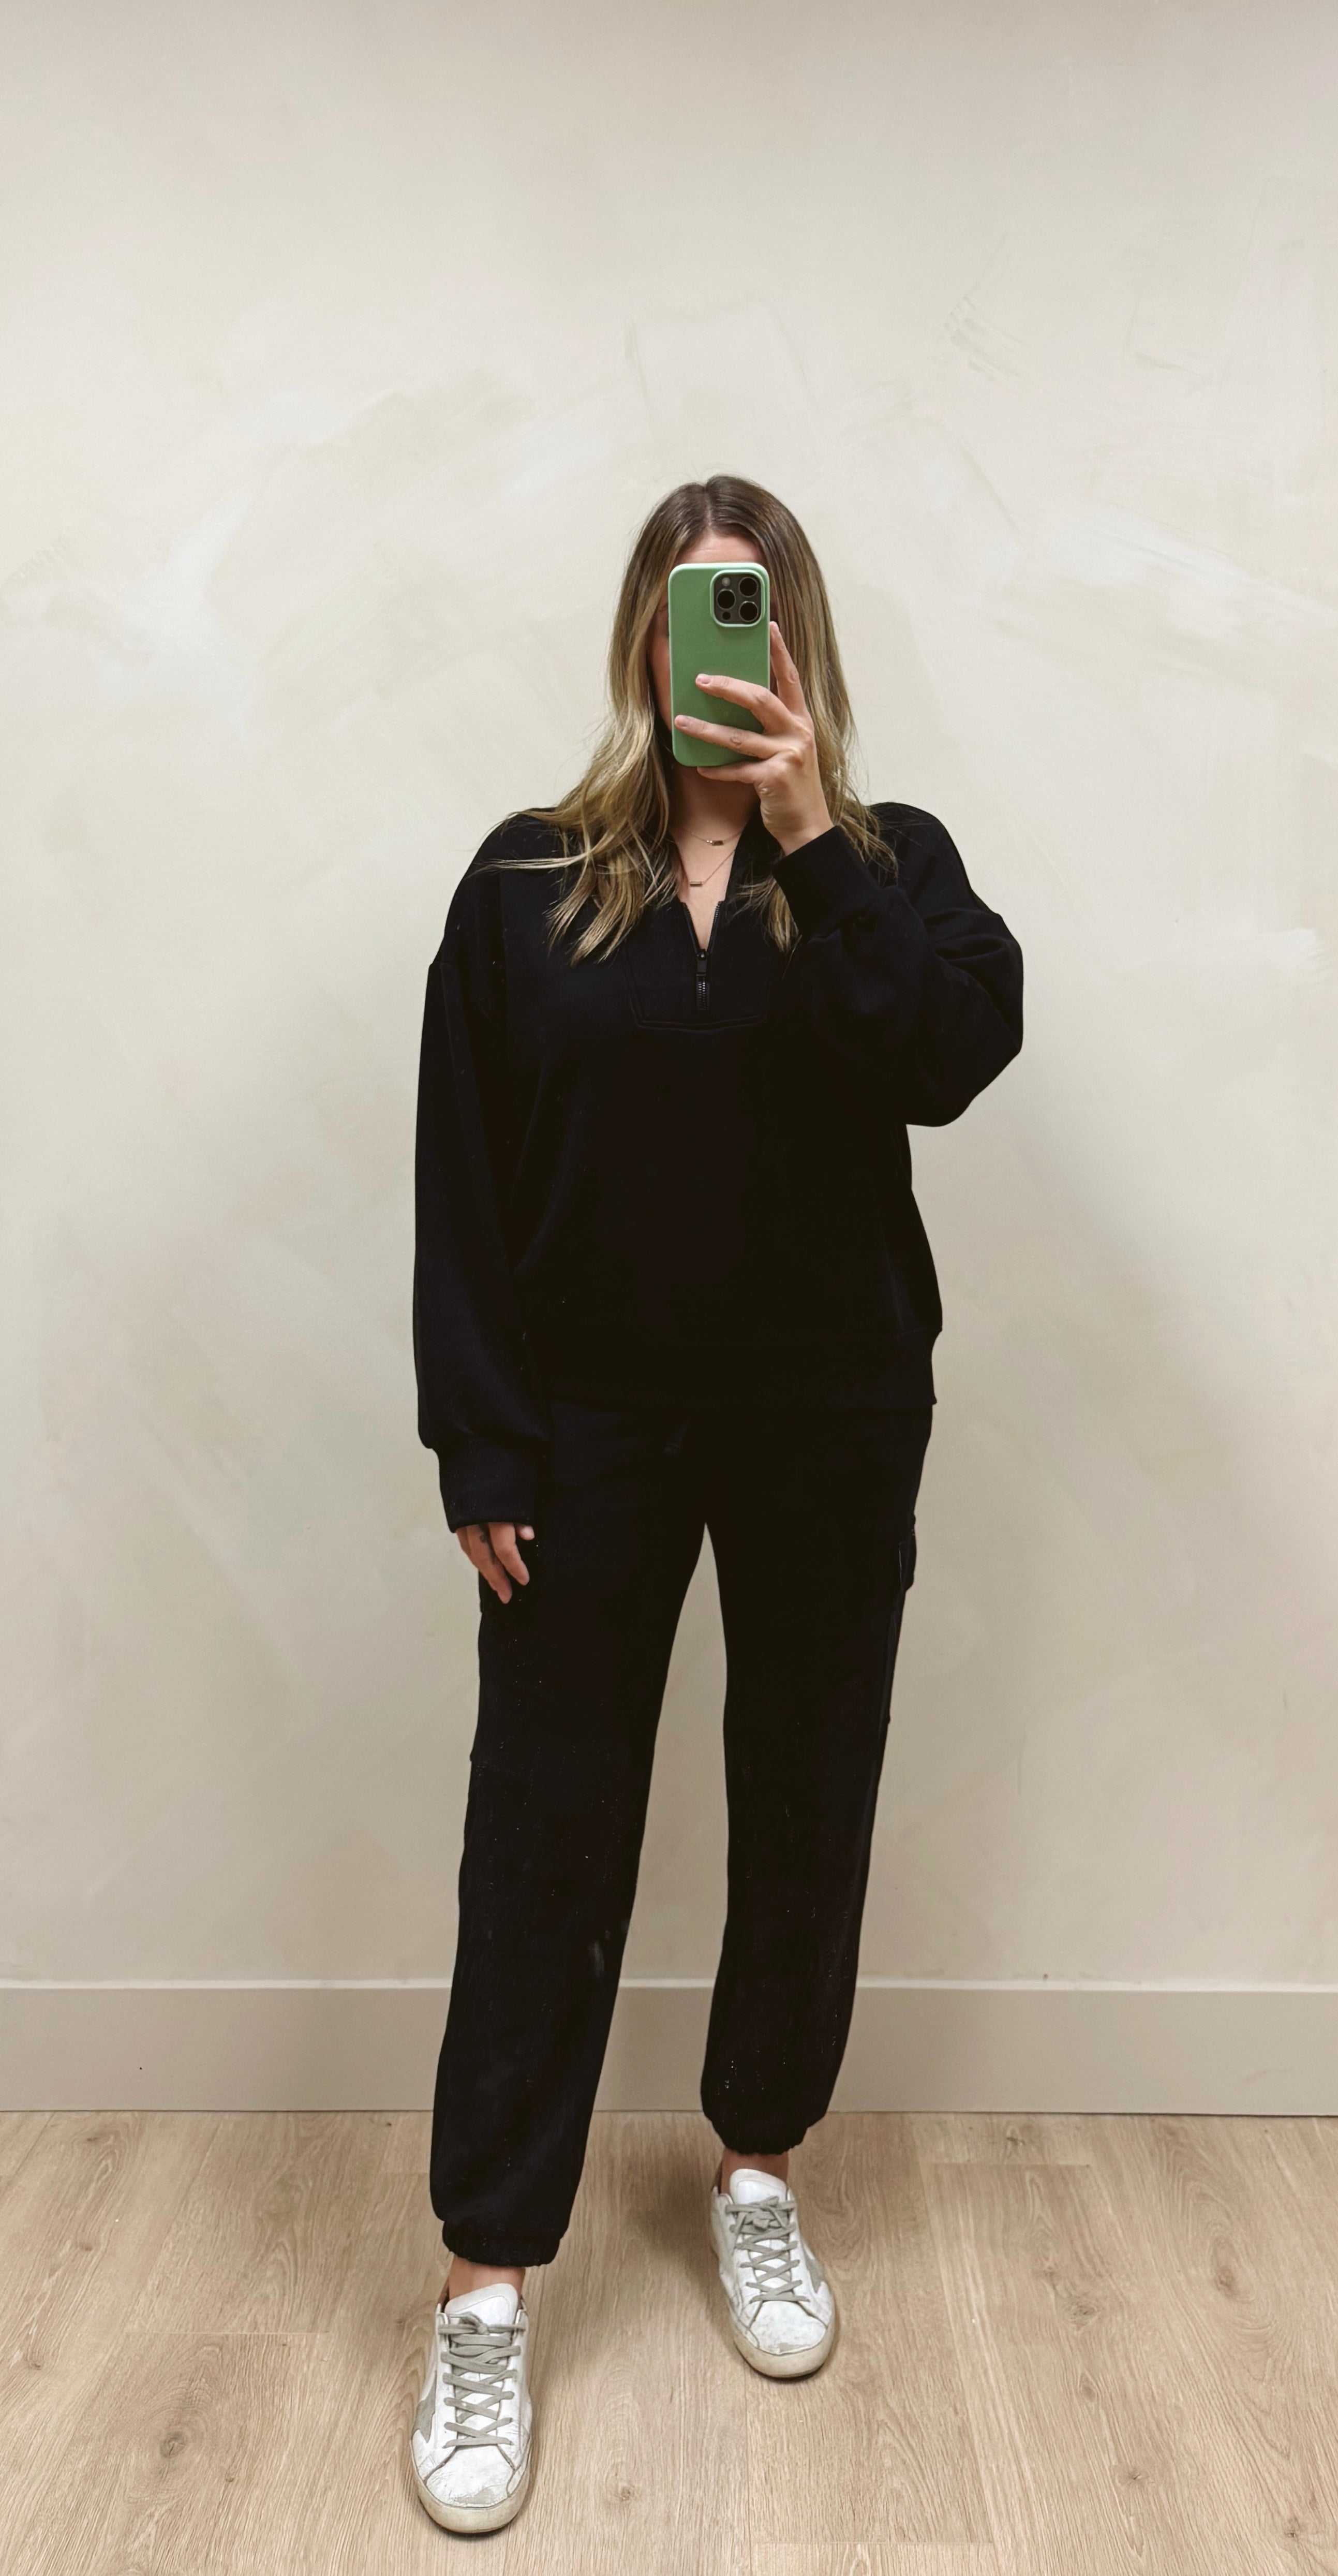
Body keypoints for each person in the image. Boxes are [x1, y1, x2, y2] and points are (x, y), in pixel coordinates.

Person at [408, 474, 1023, 2531]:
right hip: (587, 1429)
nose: (716, 647)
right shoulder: (523, 879)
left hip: (827, 1417)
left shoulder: (887, 867)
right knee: (544, 1826)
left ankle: (754, 2167)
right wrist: (482, 1443)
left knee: (806, 1792)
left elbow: (945, 1052)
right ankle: (486, 2280)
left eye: (748, 612)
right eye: (689, 613)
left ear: (796, 638)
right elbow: (463, 1172)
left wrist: (808, 828)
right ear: (641, 638)